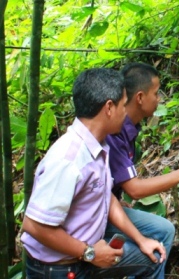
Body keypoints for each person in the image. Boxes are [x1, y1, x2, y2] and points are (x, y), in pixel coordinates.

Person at [21, 68, 166, 279]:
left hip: (84, 257)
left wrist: (141, 239)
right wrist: (89, 253)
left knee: (151, 258)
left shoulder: (98, 146)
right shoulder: (69, 160)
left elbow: (106, 196)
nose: (126, 112)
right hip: (59, 269)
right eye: (123, 105)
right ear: (109, 108)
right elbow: (33, 225)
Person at [105, 62, 179, 278]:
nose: (159, 98)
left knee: (163, 230)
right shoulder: (114, 132)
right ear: (140, 97)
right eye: (156, 93)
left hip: (107, 206)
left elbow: (115, 181)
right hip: (95, 217)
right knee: (158, 237)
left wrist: (115, 197)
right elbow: (134, 189)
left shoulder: (129, 127)